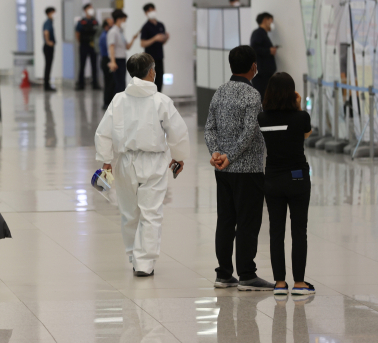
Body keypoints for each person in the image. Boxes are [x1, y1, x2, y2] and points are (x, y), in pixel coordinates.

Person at [95, 52, 189, 276]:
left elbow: (103, 133)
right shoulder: (161, 101)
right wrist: (178, 156)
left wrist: (106, 162)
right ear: (151, 72)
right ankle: (144, 263)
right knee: (151, 213)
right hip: (153, 162)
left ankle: (133, 256)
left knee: (129, 213)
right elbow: (178, 132)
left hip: (124, 162)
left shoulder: (119, 99)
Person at [204, 45, 273, 291]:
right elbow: (250, 132)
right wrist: (231, 156)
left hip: (222, 169)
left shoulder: (219, 92)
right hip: (248, 170)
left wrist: (216, 154)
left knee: (225, 220)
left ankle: (223, 273)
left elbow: (209, 128)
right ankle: (246, 274)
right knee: (247, 221)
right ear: (254, 67)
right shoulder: (252, 95)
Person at [258, 72, 315, 296]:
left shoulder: (263, 119)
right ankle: (299, 284)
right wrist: (298, 108)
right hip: (298, 176)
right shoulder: (302, 117)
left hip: (272, 178)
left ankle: (280, 283)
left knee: (276, 231)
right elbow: (305, 135)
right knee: (299, 230)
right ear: (292, 93)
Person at [107, 9, 139, 94]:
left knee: (122, 83)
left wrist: (133, 39)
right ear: (118, 20)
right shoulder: (113, 32)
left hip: (122, 60)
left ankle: (121, 104)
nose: (125, 23)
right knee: (118, 84)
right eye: (124, 20)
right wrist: (113, 62)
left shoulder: (120, 32)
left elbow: (127, 47)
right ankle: (117, 104)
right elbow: (111, 47)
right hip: (117, 60)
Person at [140, 3, 169, 93]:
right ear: (146, 13)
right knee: (151, 81)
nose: (151, 12)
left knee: (160, 79)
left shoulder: (160, 25)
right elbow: (142, 43)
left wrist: (166, 38)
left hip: (159, 57)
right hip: (150, 59)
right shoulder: (146, 27)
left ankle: (158, 97)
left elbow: (162, 41)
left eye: (152, 10)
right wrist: (154, 38)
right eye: (149, 11)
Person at [251, 12, 277, 99]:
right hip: (261, 75)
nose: (272, 24)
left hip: (265, 74)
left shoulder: (263, 34)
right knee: (262, 98)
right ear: (265, 20)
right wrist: (268, 51)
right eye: (271, 21)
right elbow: (254, 48)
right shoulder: (258, 33)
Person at [75, 3, 100, 90]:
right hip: (84, 45)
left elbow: (98, 33)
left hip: (93, 46)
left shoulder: (95, 21)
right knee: (82, 65)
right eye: (89, 8)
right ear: (85, 10)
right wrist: (81, 42)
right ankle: (81, 84)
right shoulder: (81, 22)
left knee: (94, 66)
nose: (91, 10)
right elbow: (77, 34)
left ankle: (95, 84)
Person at [99, 17, 115, 109]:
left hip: (107, 59)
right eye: (110, 24)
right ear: (106, 26)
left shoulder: (108, 35)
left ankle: (109, 101)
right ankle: (106, 102)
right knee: (109, 82)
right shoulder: (105, 36)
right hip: (106, 60)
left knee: (111, 82)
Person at [43, 7, 57, 92]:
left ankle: (47, 84)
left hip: (49, 47)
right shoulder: (48, 22)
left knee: (48, 66)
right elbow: (46, 32)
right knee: (48, 66)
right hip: (48, 47)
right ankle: (46, 85)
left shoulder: (50, 22)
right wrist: (48, 41)